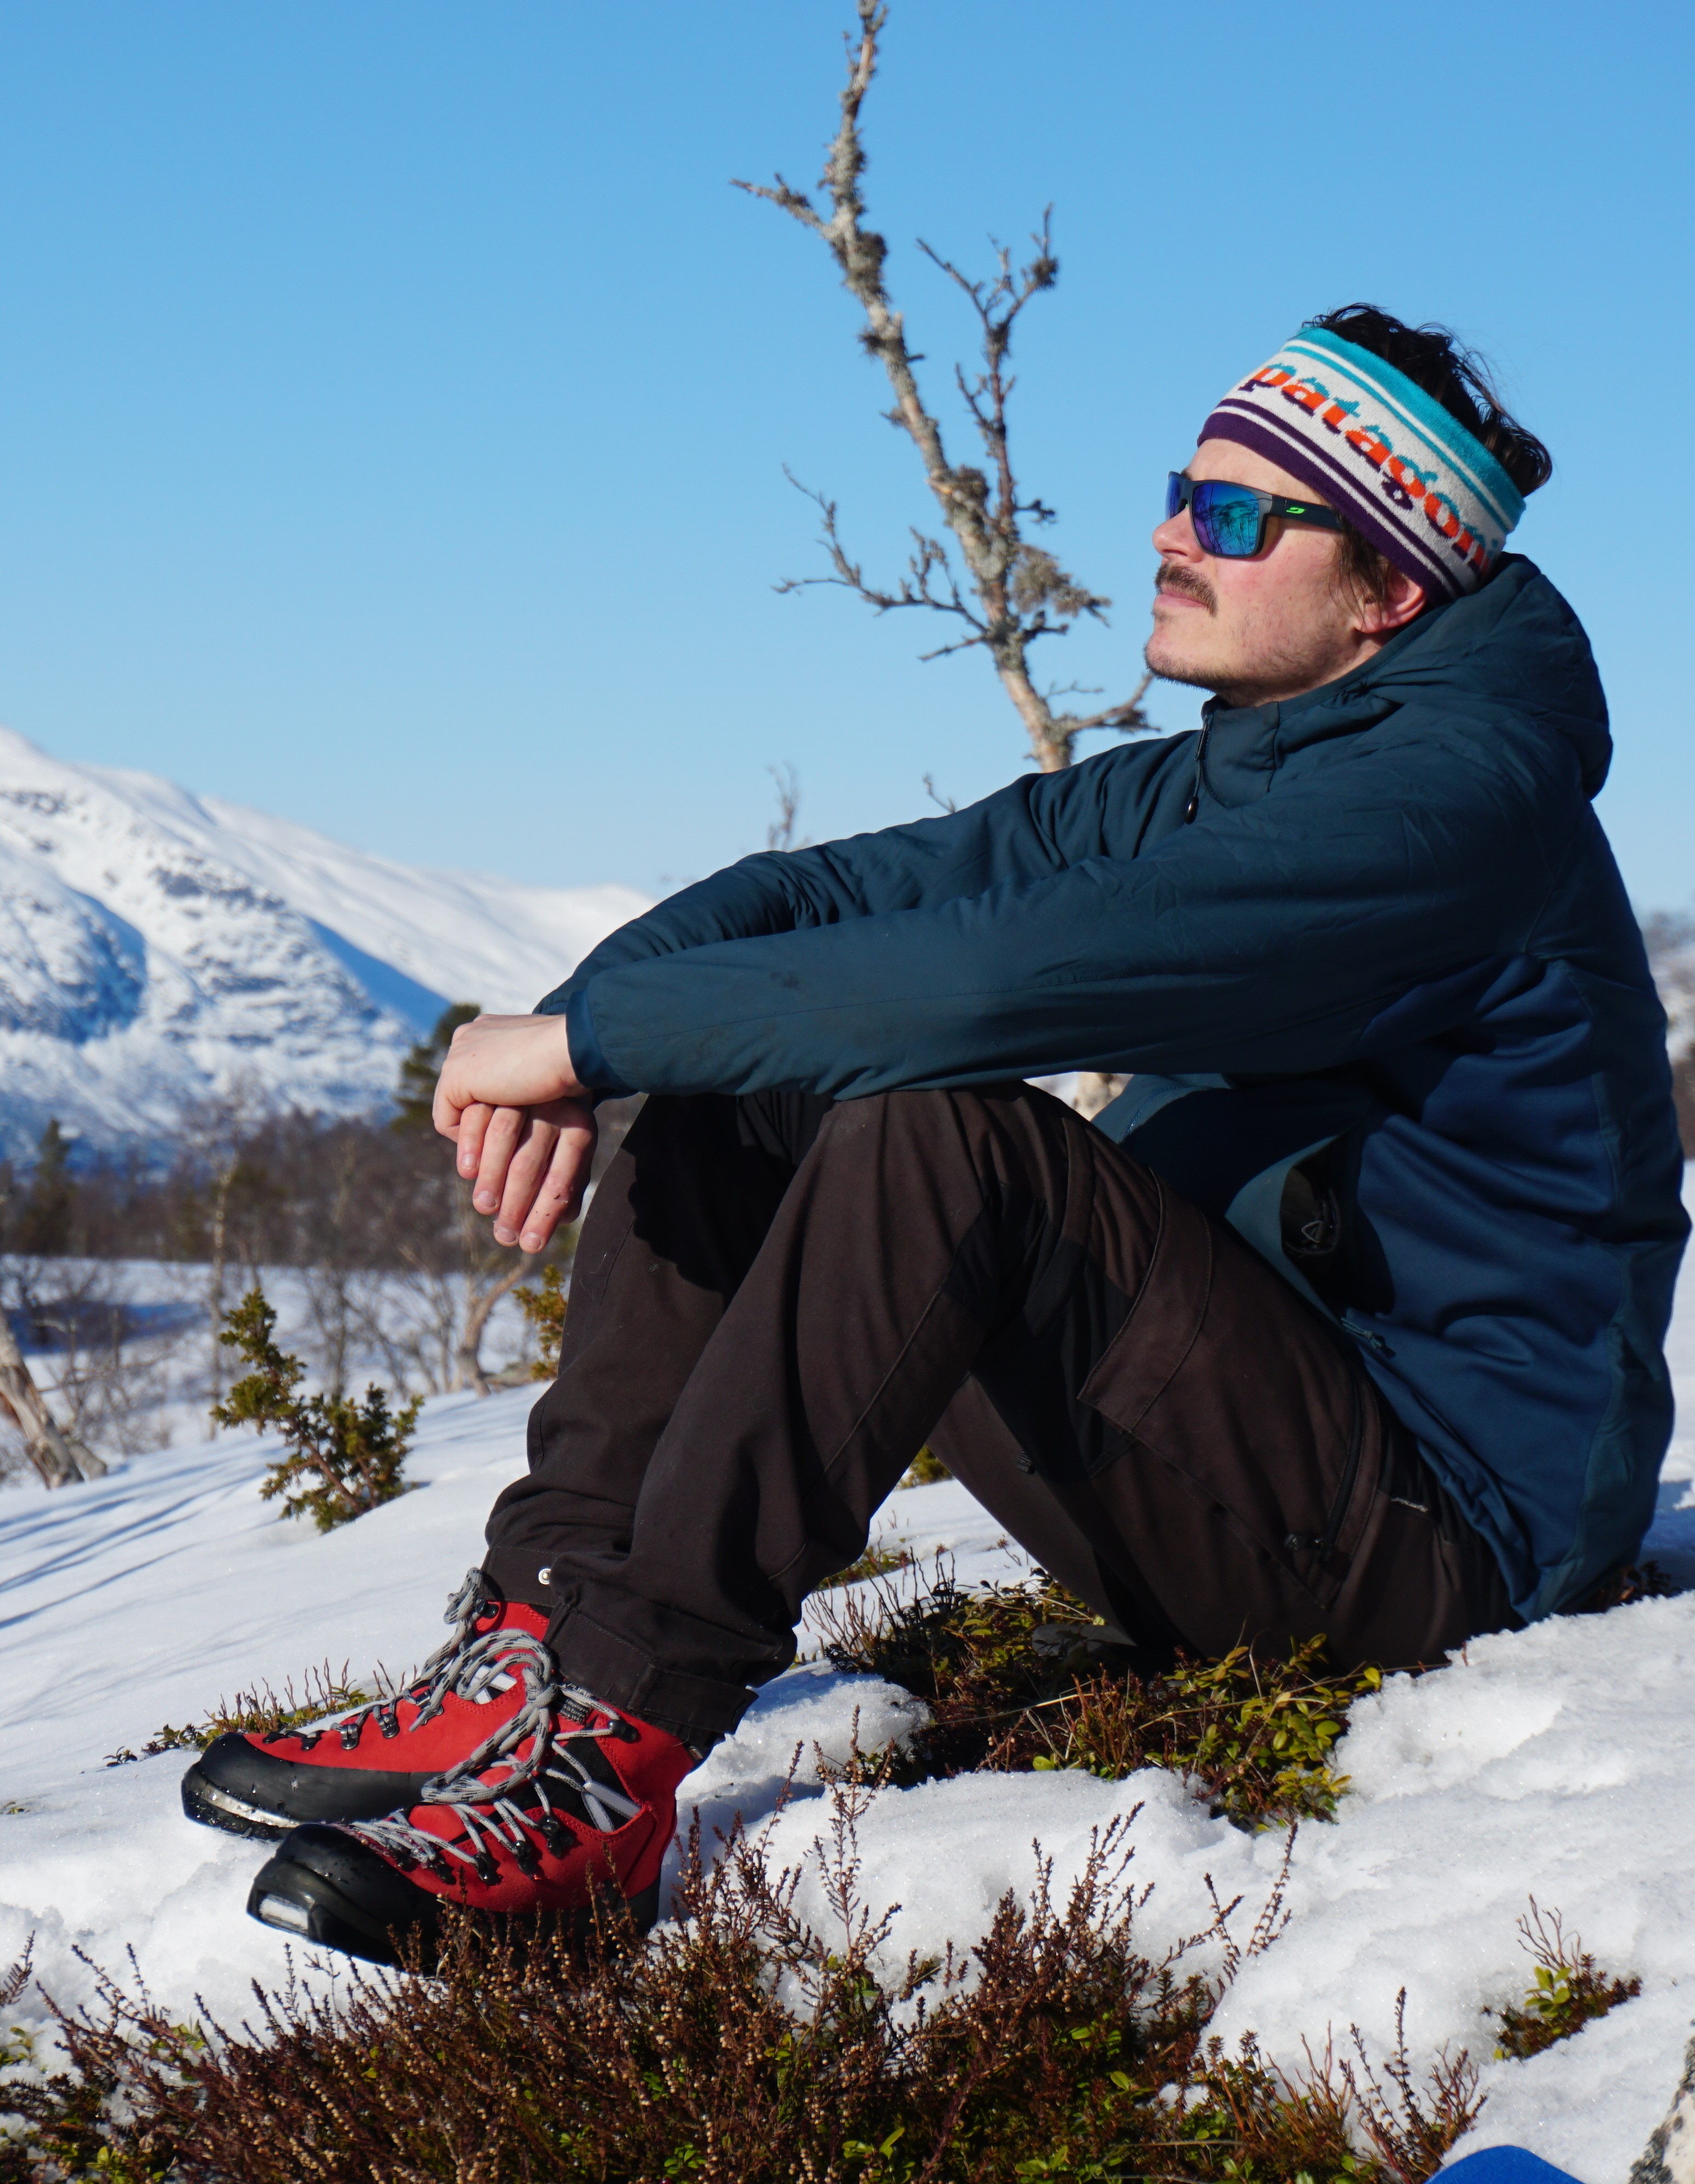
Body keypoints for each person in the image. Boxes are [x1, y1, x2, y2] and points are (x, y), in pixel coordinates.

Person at [184, 305, 1688, 1968]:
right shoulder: (1236, 774)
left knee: (942, 1136)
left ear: (1391, 586)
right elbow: (843, 893)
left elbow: (985, 978)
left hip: (1445, 1551)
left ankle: (612, 1762)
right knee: (751, 1066)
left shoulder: (1457, 810)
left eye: (1240, 517)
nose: (1172, 535)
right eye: (1183, 491)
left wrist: (587, 1043)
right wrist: (585, 1030)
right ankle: (530, 1652)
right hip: (1252, 1470)